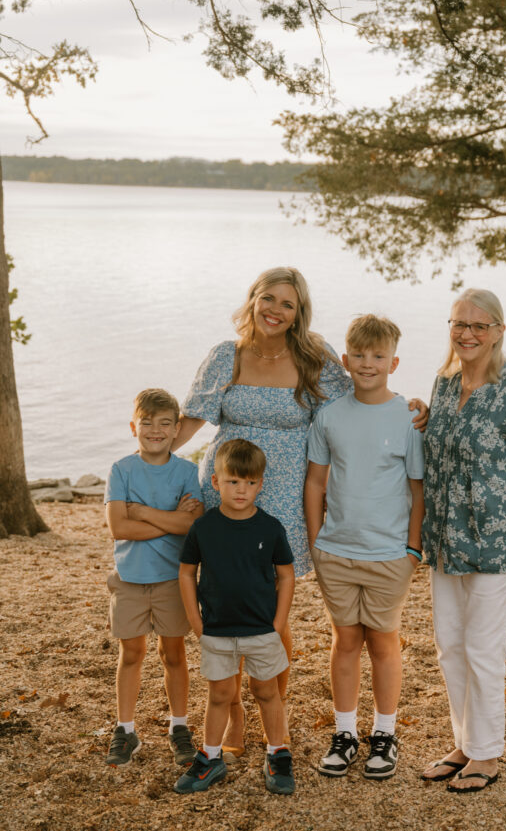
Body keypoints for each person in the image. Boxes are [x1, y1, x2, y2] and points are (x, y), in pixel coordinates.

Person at [173, 266, 427, 755]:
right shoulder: (225, 356)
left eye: (287, 304)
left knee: (271, 603)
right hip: (227, 489)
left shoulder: (314, 356)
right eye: (268, 298)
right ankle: (233, 710)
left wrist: (413, 408)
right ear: (253, 299)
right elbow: (191, 420)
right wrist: (148, 459)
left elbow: (364, 394)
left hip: (287, 495)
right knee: (223, 595)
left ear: (298, 313)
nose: (275, 310)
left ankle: (273, 707)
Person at [420, 288, 506, 793]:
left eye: (480, 325)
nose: (468, 334)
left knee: (482, 650)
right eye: (459, 323)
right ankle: (465, 744)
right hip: (446, 542)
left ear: (499, 331)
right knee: (450, 648)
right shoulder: (444, 383)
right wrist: (421, 417)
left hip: (499, 547)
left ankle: (488, 754)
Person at [304, 315, 424, 780]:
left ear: (394, 362)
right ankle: (345, 733)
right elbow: (316, 483)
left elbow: (417, 488)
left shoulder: (408, 417)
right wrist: (317, 542)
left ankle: (385, 734)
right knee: (346, 640)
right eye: (359, 355)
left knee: (383, 642)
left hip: (390, 555)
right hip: (336, 552)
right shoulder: (329, 416)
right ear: (345, 359)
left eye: (378, 356)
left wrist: (412, 548)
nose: (368, 363)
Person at [175, 439, 296, 795]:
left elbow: (286, 575)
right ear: (216, 482)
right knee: (220, 694)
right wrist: (195, 621)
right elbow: (187, 572)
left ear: (260, 484)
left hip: (261, 629)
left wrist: (278, 623)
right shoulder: (204, 527)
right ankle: (210, 757)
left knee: (266, 691)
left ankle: (277, 753)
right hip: (216, 629)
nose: (241, 490)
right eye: (233, 481)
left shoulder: (270, 527)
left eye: (249, 482)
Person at [103, 388, 203, 767]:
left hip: (172, 580)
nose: (155, 430)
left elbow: (191, 526)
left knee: (173, 654)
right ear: (134, 427)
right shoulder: (121, 470)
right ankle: (125, 729)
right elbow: (119, 528)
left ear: (177, 429)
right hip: (129, 578)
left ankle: (179, 727)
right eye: (147, 423)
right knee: (131, 653)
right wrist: (171, 519)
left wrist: (143, 512)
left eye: (165, 423)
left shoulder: (186, 472)